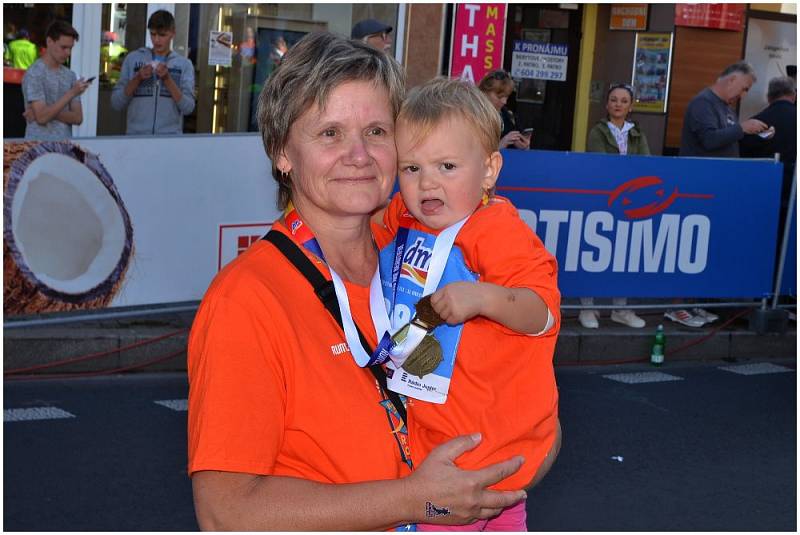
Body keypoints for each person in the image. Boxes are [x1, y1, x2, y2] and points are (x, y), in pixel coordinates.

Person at [187, 32, 528, 531]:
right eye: (329, 133)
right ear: (283, 152)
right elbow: (226, 514)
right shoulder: (248, 298)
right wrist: (416, 501)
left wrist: (522, 436)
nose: (359, 155)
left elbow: (523, 412)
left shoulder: (431, 260)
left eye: (377, 131)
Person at [375, 77, 562, 531]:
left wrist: (483, 297)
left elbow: (543, 314)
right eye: (412, 168)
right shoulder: (399, 218)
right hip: (432, 454)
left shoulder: (495, 229)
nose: (427, 183)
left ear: (489, 170)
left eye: (447, 166)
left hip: (494, 455)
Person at [580, 83, 649, 329]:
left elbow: (646, 165)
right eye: (613, 100)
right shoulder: (597, 131)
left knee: (625, 254)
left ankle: (621, 308)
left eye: (623, 100)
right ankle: (586, 307)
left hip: (630, 202)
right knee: (593, 253)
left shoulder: (637, 133)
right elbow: (600, 164)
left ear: (630, 106)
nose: (618, 104)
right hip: (601, 199)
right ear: (607, 104)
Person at [111, 10, 195, 135]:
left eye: (162, 35)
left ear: (173, 33)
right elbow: (116, 103)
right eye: (153, 34)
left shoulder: (184, 65)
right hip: (136, 137)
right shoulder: (133, 59)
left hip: (169, 139)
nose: (156, 40)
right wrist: (137, 78)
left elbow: (188, 108)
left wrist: (167, 80)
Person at [679, 61, 768, 157]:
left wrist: (759, 132)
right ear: (732, 80)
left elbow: (729, 139)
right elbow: (709, 140)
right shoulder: (703, 102)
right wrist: (742, 128)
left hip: (721, 170)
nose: (743, 96)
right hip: (703, 171)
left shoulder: (728, 107)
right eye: (744, 89)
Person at [21, 20, 89, 141]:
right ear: (49, 42)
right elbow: (42, 118)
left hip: (64, 147)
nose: (68, 52)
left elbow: (78, 118)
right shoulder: (34, 73)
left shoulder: (70, 75)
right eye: (63, 47)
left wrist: (46, 114)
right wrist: (72, 93)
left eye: (70, 48)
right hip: (38, 148)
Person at [478, 70, 530, 150]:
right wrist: (501, 144)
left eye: (506, 97)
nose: (504, 101)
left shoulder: (508, 115)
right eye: (499, 97)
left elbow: (524, 146)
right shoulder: (472, 116)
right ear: (485, 92)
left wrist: (524, 146)